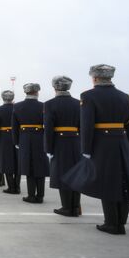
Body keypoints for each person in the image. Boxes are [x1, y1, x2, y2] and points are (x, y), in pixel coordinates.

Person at [64, 64, 129, 235]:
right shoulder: (125, 97)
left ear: (94, 78)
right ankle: (121, 222)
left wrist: (86, 148)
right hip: (122, 142)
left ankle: (111, 223)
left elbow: (87, 124)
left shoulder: (88, 96)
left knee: (107, 182)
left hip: (102, 144)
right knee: (122, 181)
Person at [44, 76, 82, 217]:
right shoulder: (79, 103)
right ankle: (76, 207)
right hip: (76, 142)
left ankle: (67, 208)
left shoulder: (49, 104)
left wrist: (48, 148)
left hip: (59, 143)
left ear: (54, 87)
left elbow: (48, 128)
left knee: (63, 174)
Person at [12, 83, 49, 203]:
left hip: (24, 137)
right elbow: (48, 125)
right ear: (37, 92)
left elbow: (15, 126)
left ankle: (31, 195)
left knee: (29, 167)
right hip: (39, 137)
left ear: (25, 92)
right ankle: (40, 196)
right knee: (40, 166)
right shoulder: (43, 106)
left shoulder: (17, 106)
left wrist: (16, 141)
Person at [0, 90, 20, 194]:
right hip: (17, 136)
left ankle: (11, 187)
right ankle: (17, 187)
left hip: (4, 137)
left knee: (6, 162)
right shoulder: (17, 107)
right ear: (13, 98)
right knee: (17, 162)